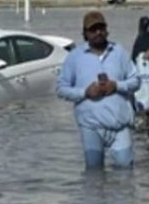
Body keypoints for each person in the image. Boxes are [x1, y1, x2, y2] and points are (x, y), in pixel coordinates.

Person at [56, 11, 140, 170]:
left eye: (101, 28)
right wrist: (85, 92)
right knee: (93, 173)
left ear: (107, 30)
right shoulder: (75, 57)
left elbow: (136, 81)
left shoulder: (119, 51)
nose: (98, 32)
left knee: (126, 171)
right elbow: (61, 89)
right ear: (85, 33)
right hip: (90, 126)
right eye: (93, 29)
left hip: (120, 125)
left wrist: (116, 86)